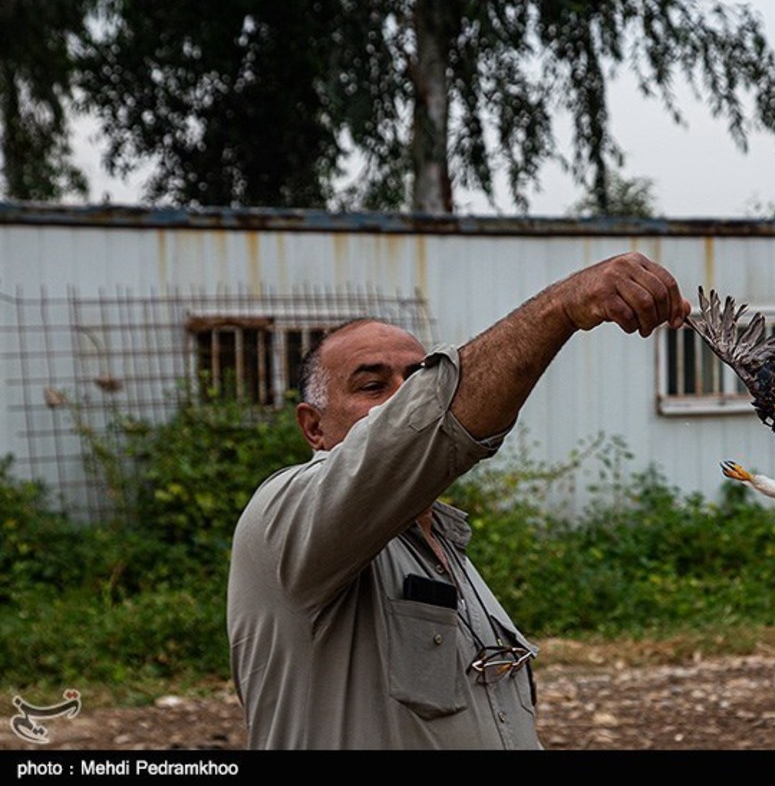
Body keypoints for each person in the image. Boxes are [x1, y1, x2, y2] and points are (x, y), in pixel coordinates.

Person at [227, 251, 691, 749]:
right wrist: (563, 306)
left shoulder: (441, 542)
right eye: (372, 384)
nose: (401, 397)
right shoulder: (288, 516)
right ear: (313, 427)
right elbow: (419, 428)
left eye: (417, 378)